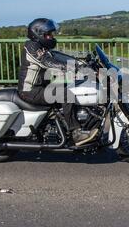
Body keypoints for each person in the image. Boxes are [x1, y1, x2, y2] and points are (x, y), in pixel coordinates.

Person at [17, 18, 99, 146]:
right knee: (65, 94)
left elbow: (59, 57)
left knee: (74, 85)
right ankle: (76, 133)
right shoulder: (32, 47)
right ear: (38, 34)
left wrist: (84, 63)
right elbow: (48, 62)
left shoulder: (42, 47)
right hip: (30, 91)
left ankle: (79, 122)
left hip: (41, 87)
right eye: (48, 34)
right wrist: (75, 68)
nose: (51, 37)